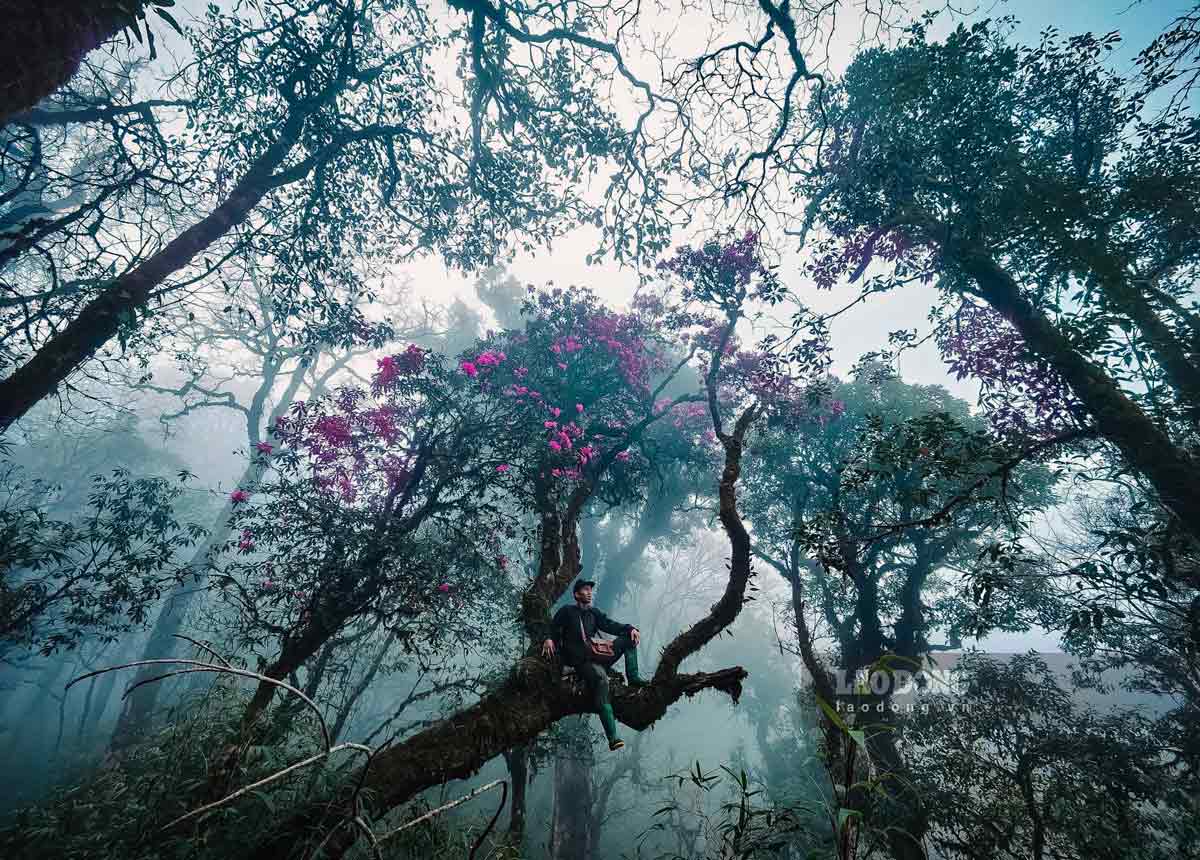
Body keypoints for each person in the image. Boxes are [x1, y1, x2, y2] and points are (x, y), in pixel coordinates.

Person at [541, 576, 648, 750]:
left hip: (599, 655)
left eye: (590, 590)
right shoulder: (567, 611)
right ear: (576, 595)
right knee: (602, 681)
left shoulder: (594, 613)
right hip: (580, 661)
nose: (589, 593)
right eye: (585, 590)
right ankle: (613, 738)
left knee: (629, 638)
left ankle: (634, 677)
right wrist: (548, 639)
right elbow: (552, 627)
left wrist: (630, 628)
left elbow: (610, 625)